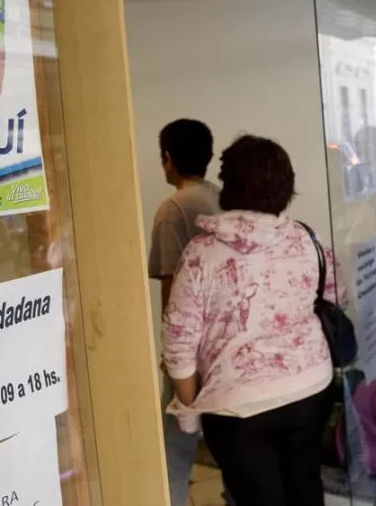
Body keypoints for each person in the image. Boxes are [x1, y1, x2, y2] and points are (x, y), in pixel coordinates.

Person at [162, 135, 345, 506]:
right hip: (311, 389)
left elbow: (178, 343)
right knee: (306, 489)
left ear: (229, 184)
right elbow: (335, 298)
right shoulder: (306, 238)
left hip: (238, 409)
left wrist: (190, 412)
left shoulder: (201, 254)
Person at [147, 119, 223, 506]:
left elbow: (169, 286)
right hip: (224, 340)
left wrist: (168, 354)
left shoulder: (172, 209)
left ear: (168, 159)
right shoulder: (221, 196)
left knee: (175, 446)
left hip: (189, 347)